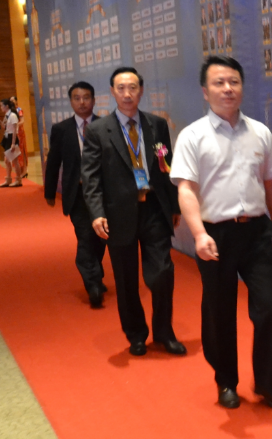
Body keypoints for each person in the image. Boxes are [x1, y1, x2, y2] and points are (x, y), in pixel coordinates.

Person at [171, 56, 272, 410]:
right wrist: (198, 234)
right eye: (219, 83)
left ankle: (266, 382)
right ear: (205, 92)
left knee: (271, 310)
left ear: (242, 87)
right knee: (219, 312)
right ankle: (226, 382)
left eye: (233, 82)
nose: (227, 89)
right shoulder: (193, 136)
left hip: (257, 233)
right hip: (215, 235)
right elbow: (186, 190)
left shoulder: (260, 133)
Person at [81, 67, 186, 357]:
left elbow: (166, 166)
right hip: (118, 214)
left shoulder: (156, 125)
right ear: (112, 92)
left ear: (141, 90)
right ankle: (136, 334)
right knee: (126, 280)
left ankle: (164, 331)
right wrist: (96, 212)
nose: (127, 94)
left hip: (154, 208)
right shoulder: (98, 130)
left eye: (133, 88)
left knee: (163, 273)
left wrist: (173, 204)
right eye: (121, 88)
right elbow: (90, 176)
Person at [44, 81, 107, 307]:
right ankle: (93, 285)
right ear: (71, 102)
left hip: (102, 193)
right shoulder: (61, 129)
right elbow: (54, 161)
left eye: (86, 97)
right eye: (77, 98)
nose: (82, 102)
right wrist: (50, 191)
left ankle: (95, 273)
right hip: (77, 193)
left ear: (94, 100)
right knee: (85, 237)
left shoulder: (105, 126)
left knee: (100, 238)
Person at [0, 99, 22, 188]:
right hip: (8, 137)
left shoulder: (13, 115)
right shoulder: (7, 116)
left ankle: (18, 180)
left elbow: (14, 130)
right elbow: (5, 128)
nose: (1, 107)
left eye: (2, 105)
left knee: (14, 160)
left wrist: (13, 143)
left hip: (12, 138)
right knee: (7, 160)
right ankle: (8, 179)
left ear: (7, 106)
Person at [10, 96, 28, 178]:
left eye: (13, 100)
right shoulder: (11, 111)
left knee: (22, 151)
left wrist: (15, 125)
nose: (11, 102)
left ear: (16, 101)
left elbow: (22, 121)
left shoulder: (19, 110)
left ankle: (24, 171)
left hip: (20, 133)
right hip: (14, 133)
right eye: (10, 100)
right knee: (16, 152)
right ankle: (19, 171)